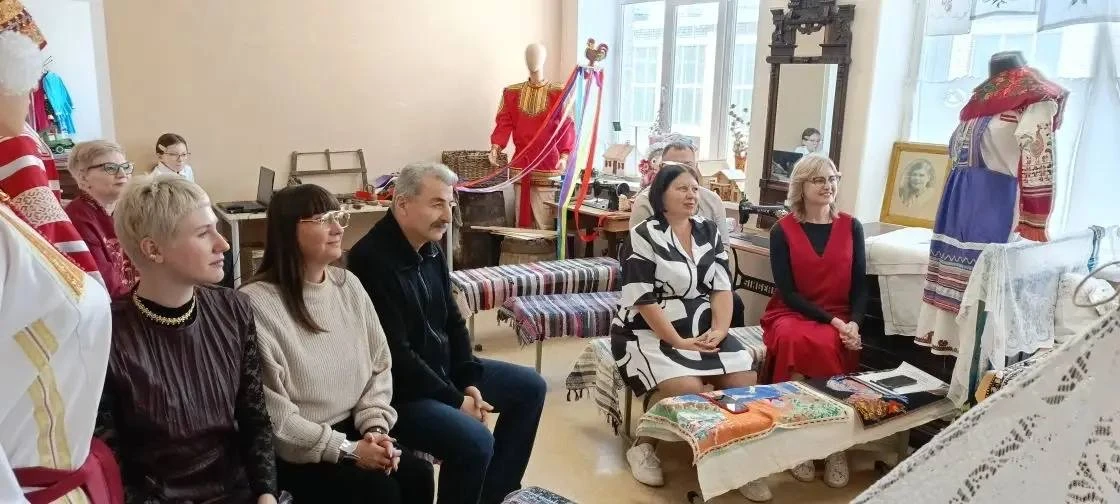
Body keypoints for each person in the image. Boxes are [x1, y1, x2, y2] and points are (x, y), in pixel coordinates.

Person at [348, 162, 547, 504]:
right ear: (402, 204)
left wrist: (468, 379)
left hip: (443, 373)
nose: (448, 215)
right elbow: (396, 355)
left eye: (450, 203)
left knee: (530, 387)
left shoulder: (430, 247)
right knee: (474, 441)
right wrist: (456, 401)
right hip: (401, 392)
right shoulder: (370, 260)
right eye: (437, 204)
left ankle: (494, 496)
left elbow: (453, 321)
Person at [240, 184, 434, 504]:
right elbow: (276, 420)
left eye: (338, 217)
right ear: (287, 231)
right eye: (322, 219)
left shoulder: (348, 285)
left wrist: (375, 429)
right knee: (380, 493)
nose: (337, 229)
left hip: (355, 428)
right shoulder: (256, 304)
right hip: (299, 449)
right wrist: (348, 450)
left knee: (418, 475)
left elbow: (379, 365)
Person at [100, 175, 278, 503]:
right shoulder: (108, 332)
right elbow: (112, 460)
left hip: (237, 491)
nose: (222, 244)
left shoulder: (234, 308)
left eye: (216, 229)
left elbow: (254, 418)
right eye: (202, 233)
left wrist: (266, 494)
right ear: (153, 249)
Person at [613, 164, 771, 501]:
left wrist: (720, 329)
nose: (691, 195)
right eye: (682, 188)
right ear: (661, 195)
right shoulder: (643, 234)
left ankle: (733, 457)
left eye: (695, 189)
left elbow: (722, 287)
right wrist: (678, 342)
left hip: (700, 323)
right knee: (687, 388)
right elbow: (642, 298)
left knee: (743, 380)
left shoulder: (708, 231)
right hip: (648, 328)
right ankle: (643, 446)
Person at [759, 154, 866, 488]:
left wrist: (854, 324)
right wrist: (835, 323)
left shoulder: (852, 226)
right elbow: (789, 292)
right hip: (792, 312)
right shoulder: (782, 230)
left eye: (832, 178)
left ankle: (835, 445)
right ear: (801, 186)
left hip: (841, 316)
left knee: (830, 341)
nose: (828, 185)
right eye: (819, 179)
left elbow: (860, 286)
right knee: (799, 339)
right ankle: (800, 442)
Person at [628, 139, 747, 327]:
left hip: (705, 282)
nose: (682, 170)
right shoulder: (645, 204)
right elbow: (638, 259)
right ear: (662, 169)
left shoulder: (712, 202)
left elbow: (722, 250)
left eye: (688, 165)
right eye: (674, 165)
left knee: (733, 302)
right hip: (663, 284)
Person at [63, 140, 138, 298]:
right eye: (110, 168)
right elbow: (108, 287)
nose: (122, 174)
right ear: (83, 177)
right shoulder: (78, 218)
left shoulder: (128, 209)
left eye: (125, 167)